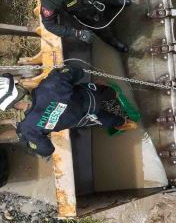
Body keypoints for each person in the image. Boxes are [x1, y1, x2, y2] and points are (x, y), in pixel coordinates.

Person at [0, 66, 138, 157]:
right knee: (104, 90)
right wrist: (57, 73)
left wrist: (28, 141)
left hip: (86, 116)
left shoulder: (28, 128)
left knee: (104, 118)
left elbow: (47, 150)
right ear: (20, 88)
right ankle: (112, 93)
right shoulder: (50, 85)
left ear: (11, 106)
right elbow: (78, 71)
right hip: (91, 94)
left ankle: (124, 123)